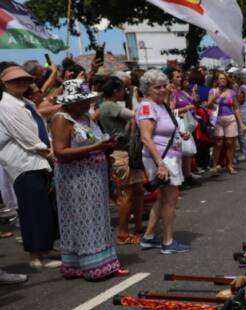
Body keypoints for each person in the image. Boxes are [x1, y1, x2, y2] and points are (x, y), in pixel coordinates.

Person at [50, 80, 127, 280]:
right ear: (71, 102)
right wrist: (95, 148)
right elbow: (60, 151)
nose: (88, 103)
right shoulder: (61, 119)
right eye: (83, 100)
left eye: (88, 100)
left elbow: (93, 139)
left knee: (96, 217)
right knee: (83, 218)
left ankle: (99, 263)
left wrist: (106, 145)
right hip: (76, 178)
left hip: (93, 176)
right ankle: (92, 266)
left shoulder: (85, 117)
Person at [0, 65, 60, 269]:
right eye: (14, 80)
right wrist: (50, 153)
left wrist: (50, 148)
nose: (21, 83)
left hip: (38, 161)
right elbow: (26, 137)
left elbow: (41, 130)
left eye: (24, 79)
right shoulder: (6, 105)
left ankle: (44, 250)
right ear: (5, 83)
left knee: (44, 207)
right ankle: (36, 256)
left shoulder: (27, 103)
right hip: (24, 163)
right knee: (32, 209)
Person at [137, 69, 191, 255]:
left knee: (163, 198)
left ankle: (149, 236)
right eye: (157, 87)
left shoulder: (160, 104)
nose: (162, 90)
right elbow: (146, 138)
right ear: (147, 89)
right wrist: (160, 163)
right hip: (161, 158)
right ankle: (168, 241)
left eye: (163, 86)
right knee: (170, 198)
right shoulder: (147, 106)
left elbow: (163, 129)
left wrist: (180, 134)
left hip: (169, 156)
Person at [97, 76, 145, 245]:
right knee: (128, 193)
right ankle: (123, 233)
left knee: (138, 190)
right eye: (123, 89)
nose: (125, 92)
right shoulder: (109, 105)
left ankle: (138, 226)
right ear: (115, 90)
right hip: (121, 151)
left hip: (126, 151)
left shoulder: (107, 105)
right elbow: (136, 115)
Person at [206, 71, 240, 176]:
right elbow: (208, 105)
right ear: (217, 80)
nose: (223, 80)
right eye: (220, 78)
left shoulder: (231, 92)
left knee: (230, 143)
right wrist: (215, 98)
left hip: (230, 118)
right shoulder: (213, 91)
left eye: (224, 79)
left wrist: (241, 122)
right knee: (218, 143)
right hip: (217, 119)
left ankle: (230, 165)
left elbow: (236, 108)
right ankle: (214, 166)